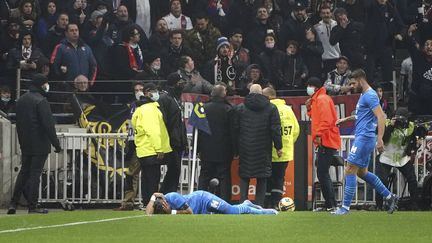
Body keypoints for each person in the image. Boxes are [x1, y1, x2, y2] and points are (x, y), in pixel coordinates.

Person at [334, 69, 399, 215]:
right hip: (363, 137)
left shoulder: (370, 95)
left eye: (353, 83)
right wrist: (345, 120)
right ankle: (390, 197)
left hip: (364, 138)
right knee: (362, 173)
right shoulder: (365, 95)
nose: (351, 86)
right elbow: (361, 115)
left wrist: (380, 139)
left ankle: (344, 208)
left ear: (360, 80)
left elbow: (381, 116)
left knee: (350, 168)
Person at [7, 74, 62, 214]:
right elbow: (48, 125)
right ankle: (33, 205)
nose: (47, 86)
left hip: (25, 143)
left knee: (24, 172)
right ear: (41, 85)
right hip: (40, 144)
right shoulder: (41, 101)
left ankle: (13, 203)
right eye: (46, 83)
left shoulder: (21, 100)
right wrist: (56, 144)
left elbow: (18, 123)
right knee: (35, 174)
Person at [233, 84, 282, 206]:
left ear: (249, 92)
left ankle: (242, 204)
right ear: (262, 93)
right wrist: (278, 147)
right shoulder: (271, 108)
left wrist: (235, 150)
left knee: (245, 176)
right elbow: (275, 129)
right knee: (262, 176)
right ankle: (259, 205)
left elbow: (234, 130)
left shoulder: (240, 108)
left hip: (245, 148)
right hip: (263, 148)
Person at [131, 82, 172, 206]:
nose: (157, 94)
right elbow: (153, 131)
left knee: (146, 178)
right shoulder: (150, 109)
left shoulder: (140, 109)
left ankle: (146, 203)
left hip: (143, 148)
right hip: (151, 149)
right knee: (153, 178)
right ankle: (152, 204)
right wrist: (159, 149)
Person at [306, 77, 341, 212]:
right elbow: (318, 118)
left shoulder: (322, 100)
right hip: (326, 140)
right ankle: (330, 203)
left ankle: (331, 204)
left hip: (326, 140)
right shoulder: (320, 99)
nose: (307, 89)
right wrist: (309, 108)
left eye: (309, 86)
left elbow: (326, 121)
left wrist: (318, 135)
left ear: (314, 87)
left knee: (322, 173)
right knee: (323, 173)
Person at [374, 107, 418, 211]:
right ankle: (379, 205)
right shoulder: (387, 123)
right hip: (386, 156)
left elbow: (412, 142)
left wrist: (414, 146)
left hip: (401, 158)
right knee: (381, 181)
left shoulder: (411, 127)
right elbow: (382, 138)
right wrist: (391, 126)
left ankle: (414, 204)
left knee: (412, 179)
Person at [263, 86, 300, 209]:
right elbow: (296, 130)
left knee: (267, 179)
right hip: (285, 152)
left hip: (269, 151)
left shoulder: (267, 109)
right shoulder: (288, 110)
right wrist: (288, 143)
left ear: (268, 97)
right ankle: (276, 205)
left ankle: (266, 205)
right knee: (279, 179)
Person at [198, 83, 234, 202]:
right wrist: (235, 150)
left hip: (206, 150)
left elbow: (198, 131)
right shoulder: (229, 109)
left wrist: (197, 149)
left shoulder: (203, 108)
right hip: (224, 150)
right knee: (224, 178)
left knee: (204, 177)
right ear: (224, 94)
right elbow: (233, 131)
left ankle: (199, 201)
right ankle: (224, 203)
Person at [114, 82, 145, 210]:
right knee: (132, 174)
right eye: (136, 90)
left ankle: (150, 201)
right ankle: (129, 202)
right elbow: (130, 126)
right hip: (135, 143)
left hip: (146, 144)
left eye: (141, 89)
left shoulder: (149, 106)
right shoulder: (133, 105)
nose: (138, 92)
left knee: (148, 174)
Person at [145, 191, 278, 215]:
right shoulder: (159, 203)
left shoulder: (173, 197)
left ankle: (263, 211)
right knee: (230, 210)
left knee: (232, 212)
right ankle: (246, 203)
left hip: (205, 199)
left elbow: (189, 212)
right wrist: (152, 196)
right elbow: (148, 215)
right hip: (202, 208)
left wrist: (171, 212)